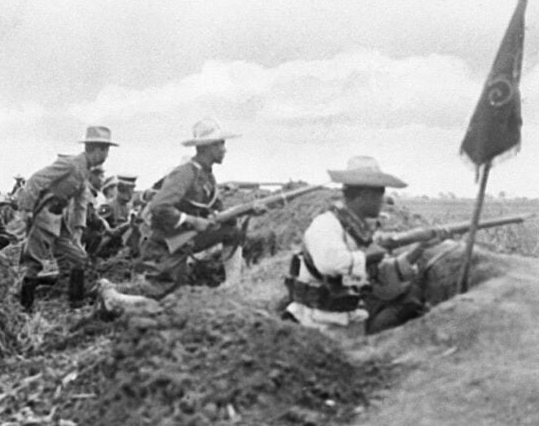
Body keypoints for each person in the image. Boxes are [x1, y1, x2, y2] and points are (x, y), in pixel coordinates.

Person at [284, 156, 438, 336]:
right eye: (381, 193)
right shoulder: (326, 225)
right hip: (317, 325)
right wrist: (367, 256)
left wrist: (419, 249)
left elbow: (380, 275)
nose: (383, 199)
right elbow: (330, 264)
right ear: (365, 195)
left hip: (349, 322)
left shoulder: (359, 230)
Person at [132, 117, 252, 298]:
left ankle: (231, 286)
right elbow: (159, 206)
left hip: (181, 243)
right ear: (207, 147)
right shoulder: (185, 172)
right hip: (163, 246)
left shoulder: (207, 176)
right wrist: (193, 220)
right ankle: (111, 292)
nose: (224, 149)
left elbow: (217, 213)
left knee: (232, 231)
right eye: (220, 144)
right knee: (157, 295)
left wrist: (249, 210)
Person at [15, 126, 117, 310]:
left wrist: (78, 230)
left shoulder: (85, 170)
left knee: (79, 257)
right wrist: (27, 210)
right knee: (34, 263)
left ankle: (75, 302)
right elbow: (36, 180)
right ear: (94, 149)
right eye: (104, 150)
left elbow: (80, 204)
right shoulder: (70, 164)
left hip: (59, 220)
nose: (106, 155)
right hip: (45, 215)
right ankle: (24, 308)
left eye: (107, 150)